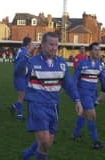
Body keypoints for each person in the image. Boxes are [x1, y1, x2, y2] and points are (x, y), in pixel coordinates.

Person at [16, 32, 83, 160]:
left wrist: (77, 100)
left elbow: (69, 85)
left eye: (56, 45)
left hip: (53, 107)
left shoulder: (61, 63)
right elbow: (18, 72)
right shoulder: (32, 62)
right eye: (51, 44)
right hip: (36, 105)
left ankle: (27, 154)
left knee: (46, 144)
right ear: (42, 44)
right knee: (45, 142)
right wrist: (26, 54)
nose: (54, 47)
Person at [72, 42, 105, 149]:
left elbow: (103, 79)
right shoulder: (82, 63)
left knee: (83, 115)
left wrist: (103, 92)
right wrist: (76, 97)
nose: (98, 52)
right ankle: (96, 142)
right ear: (90, 51)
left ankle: (75, 135)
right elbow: (74, 80)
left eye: (99, 50)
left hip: (93, 94)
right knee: (92, 115)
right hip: (83, 93)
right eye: (95, 50)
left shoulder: (100, 65)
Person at [9, 37, 34, 121]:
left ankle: (13, 106)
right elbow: (20, 65)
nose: (32, 45)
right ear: (28, 44)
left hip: (24, 77)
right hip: (20, 77)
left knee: (25, 97)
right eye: (31, 43)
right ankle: (19, 116)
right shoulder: (24, 52)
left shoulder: (22, 51)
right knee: (21, 97)